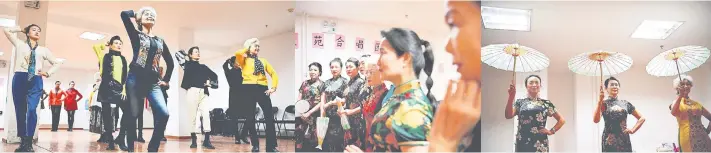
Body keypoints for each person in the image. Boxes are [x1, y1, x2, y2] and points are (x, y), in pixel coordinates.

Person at [120, 6, 175, 152]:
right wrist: (136, 13)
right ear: (139, 19)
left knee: (164, 113)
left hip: (153, 82)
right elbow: (124, 15)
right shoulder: (135, 34)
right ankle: (131, 149)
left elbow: (170, 62)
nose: (150, 16)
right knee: (133, 115)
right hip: (135, 79)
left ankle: (152, 149)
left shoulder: (160, 41)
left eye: (152, 15)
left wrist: (166, 80)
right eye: (147, 14)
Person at [3, 24, 64, 152]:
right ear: (27, 32)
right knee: (20, 110)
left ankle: (29, 142)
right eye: (34, 30)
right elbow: (6, 30)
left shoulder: (44, 50)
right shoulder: (20, 44)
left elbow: (58, 63)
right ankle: (23, 142)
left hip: (36, 80)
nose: (37, 32)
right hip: (20, 77)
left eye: (39, 30)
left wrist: (48, 73)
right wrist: (20, 29)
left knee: (32, 110)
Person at [233, 38, 280, 152]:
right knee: (250, 118)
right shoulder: (243, 60)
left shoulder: (263, 61)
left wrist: (273, 87)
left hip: (262, 88)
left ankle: (271, 147)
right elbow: (238, 53)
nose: (258, 48)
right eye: (255, 46)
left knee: (269, 117)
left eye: (258, 46)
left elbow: (273, 73)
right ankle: (255, 145)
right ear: (249, 47)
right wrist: (248, 48)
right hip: (248, 88)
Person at [505, 75, 566, 152]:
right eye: (531, 82)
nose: (534, 85)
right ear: (526, 86)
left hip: (540, 143)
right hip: (522, 141)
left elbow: (561, 120)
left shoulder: (546, 104)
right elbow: (508, 115)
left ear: (540, 86)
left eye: (536, 82)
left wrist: (551, 131)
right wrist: (511, 97)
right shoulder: (520, 102)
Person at [179, 47, 218, 149]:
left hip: (203, 92)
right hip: (192, 91)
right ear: (191, 55)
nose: (198, 53)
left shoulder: (203, 67)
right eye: (195, 52)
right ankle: (194, 141)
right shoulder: (186, 65)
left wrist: (210, 83)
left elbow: (214, 76)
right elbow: (177, 55)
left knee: (206, 115)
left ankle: (206, 141)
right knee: (192, 117)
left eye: (198, 52)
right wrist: (187, 56)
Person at [593, 77, 646, 152]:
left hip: (624, 139)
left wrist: (632, 130)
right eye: (612, 85)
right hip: (609, 139)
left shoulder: (625, 103)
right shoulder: (603, 103)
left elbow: (642, 118)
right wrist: (600, 101)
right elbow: (596, 120)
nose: (615, 86)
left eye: (616, 85)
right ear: (606, 88)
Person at [95, 35, 127, 150]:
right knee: (107, 116)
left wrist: (124, 90)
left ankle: (121, 137)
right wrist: (106, 44)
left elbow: (125, 76)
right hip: (106, 88)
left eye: (120, 43)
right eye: (116, 43)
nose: (119, 45)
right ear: (111, 45)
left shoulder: (123, 59)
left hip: (119, 89)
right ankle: (110, 141)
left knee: (129, 112)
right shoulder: (105, 56)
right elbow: (96, 46)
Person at [669, 75, 711, 152]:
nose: (686, 86)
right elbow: (673, 112)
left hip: (703, 137)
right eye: (683, 84)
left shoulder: (696, 104)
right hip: (687, 137)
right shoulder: (676, 103)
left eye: (688, 84)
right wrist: (680, 96)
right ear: (678, 87)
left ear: (691, 86)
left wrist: (707, 131)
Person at [318, 58, 348, 152]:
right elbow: (322, 100)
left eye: (336, 67)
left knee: (338, 142)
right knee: (326, 142)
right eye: (332, 67)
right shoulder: (326, 83)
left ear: (341, 68)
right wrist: (321, 116)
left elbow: (346, 100)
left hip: (339, 116)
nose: (334, 69)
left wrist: (331, 103)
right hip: (327, 117)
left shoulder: (345, 82)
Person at [337, 58, 368, 149]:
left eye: (351, 67)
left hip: (357, 119)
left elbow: (364, 104)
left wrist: (351, 112)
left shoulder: (361, 82)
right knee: (347, 144)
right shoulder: (348, 82)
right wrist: (340, 105)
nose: (348, 69)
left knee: (355, 145)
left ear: (357, 68)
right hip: (347, 118)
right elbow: (347, 98)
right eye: (346, 67)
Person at [296, 62, 325, 152]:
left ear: (320, 72)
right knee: (300, 139)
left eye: (315, 70)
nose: (312, 72)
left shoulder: (322, 85)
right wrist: (301, 112)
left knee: (314, 141)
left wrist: (309, 113)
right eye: (311, 69)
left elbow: (322, 102)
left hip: (315, 115)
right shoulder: (304, 83)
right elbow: (299, 99)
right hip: (302, 115)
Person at [223, 56, 251, 144]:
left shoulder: (243, 72)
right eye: (237, 61)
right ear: (233, 63)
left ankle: (243, 135)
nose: (239, 63)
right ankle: (237, 137)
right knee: (234, 118)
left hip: (244, 97)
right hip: (234, 97)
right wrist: (228, 61)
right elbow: (224, 66)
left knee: (250, 116)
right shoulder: (229, 72)